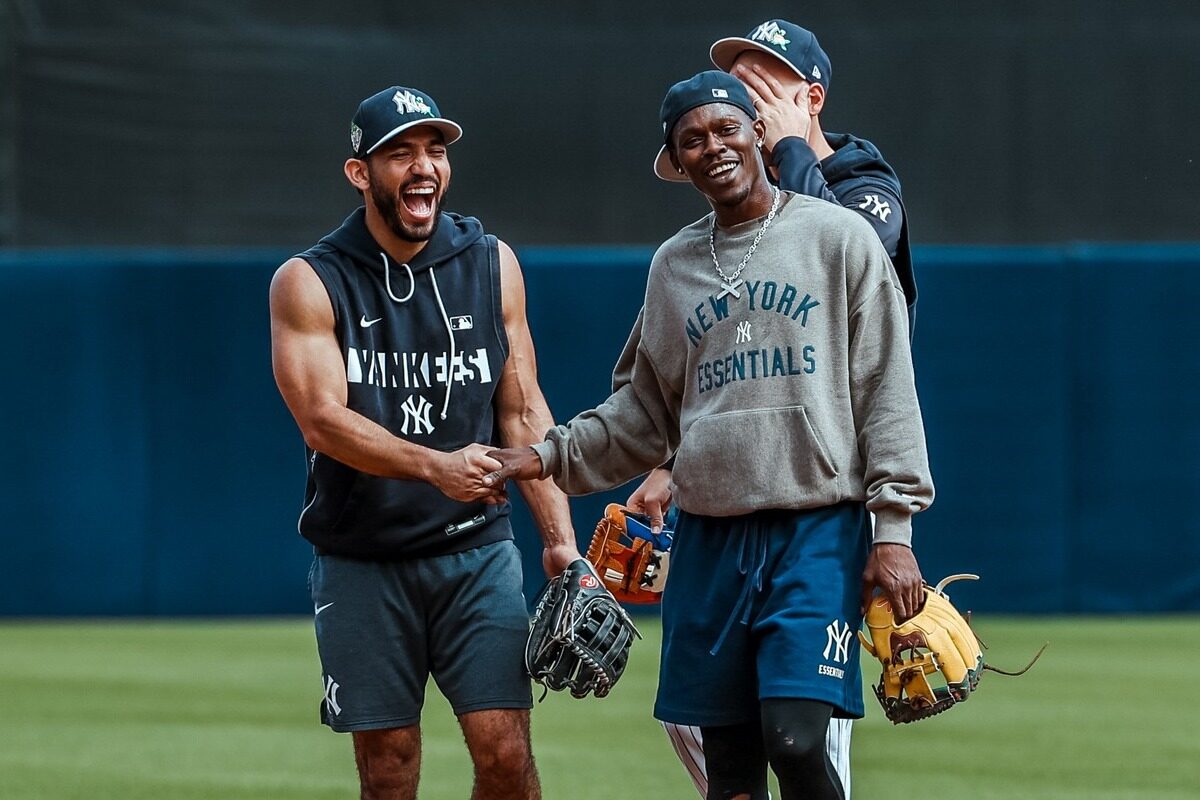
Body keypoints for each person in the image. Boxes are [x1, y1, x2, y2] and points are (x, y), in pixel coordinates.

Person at [483, 70, 933, 800]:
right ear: (677, 162)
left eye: (726, 128)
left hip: (814, 531)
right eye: (692, 140)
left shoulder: (838, 237)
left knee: (793, 737)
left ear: (760, 132)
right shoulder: (675, 266)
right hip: (710, 540)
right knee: (727, 768)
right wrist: (541, 456)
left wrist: (894, 531)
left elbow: (885, 385)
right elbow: (643, 413)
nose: (713, 147)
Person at [628, 19, 920, 797]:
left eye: (766, 78)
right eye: (740, 74)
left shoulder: (863, 187)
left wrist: (893, 530)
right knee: (717, 740)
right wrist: (666, 463)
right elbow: (715, 366)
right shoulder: (710, 234)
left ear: (808, 96)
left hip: (830, 503)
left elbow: (838, 257)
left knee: (803, 736)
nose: (748, 88)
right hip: (729, 509)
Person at [268, 85, 579, 800]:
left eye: (434, 150)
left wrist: (559, 539)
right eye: (400, 152)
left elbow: (524, 409)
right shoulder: (310, 280)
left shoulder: (492, 262)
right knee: (390, 766)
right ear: (360, 173)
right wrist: (435, 466)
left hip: (475, 549)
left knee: (504, 751)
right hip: (362, 557)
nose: (423, 166)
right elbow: (322, 419)